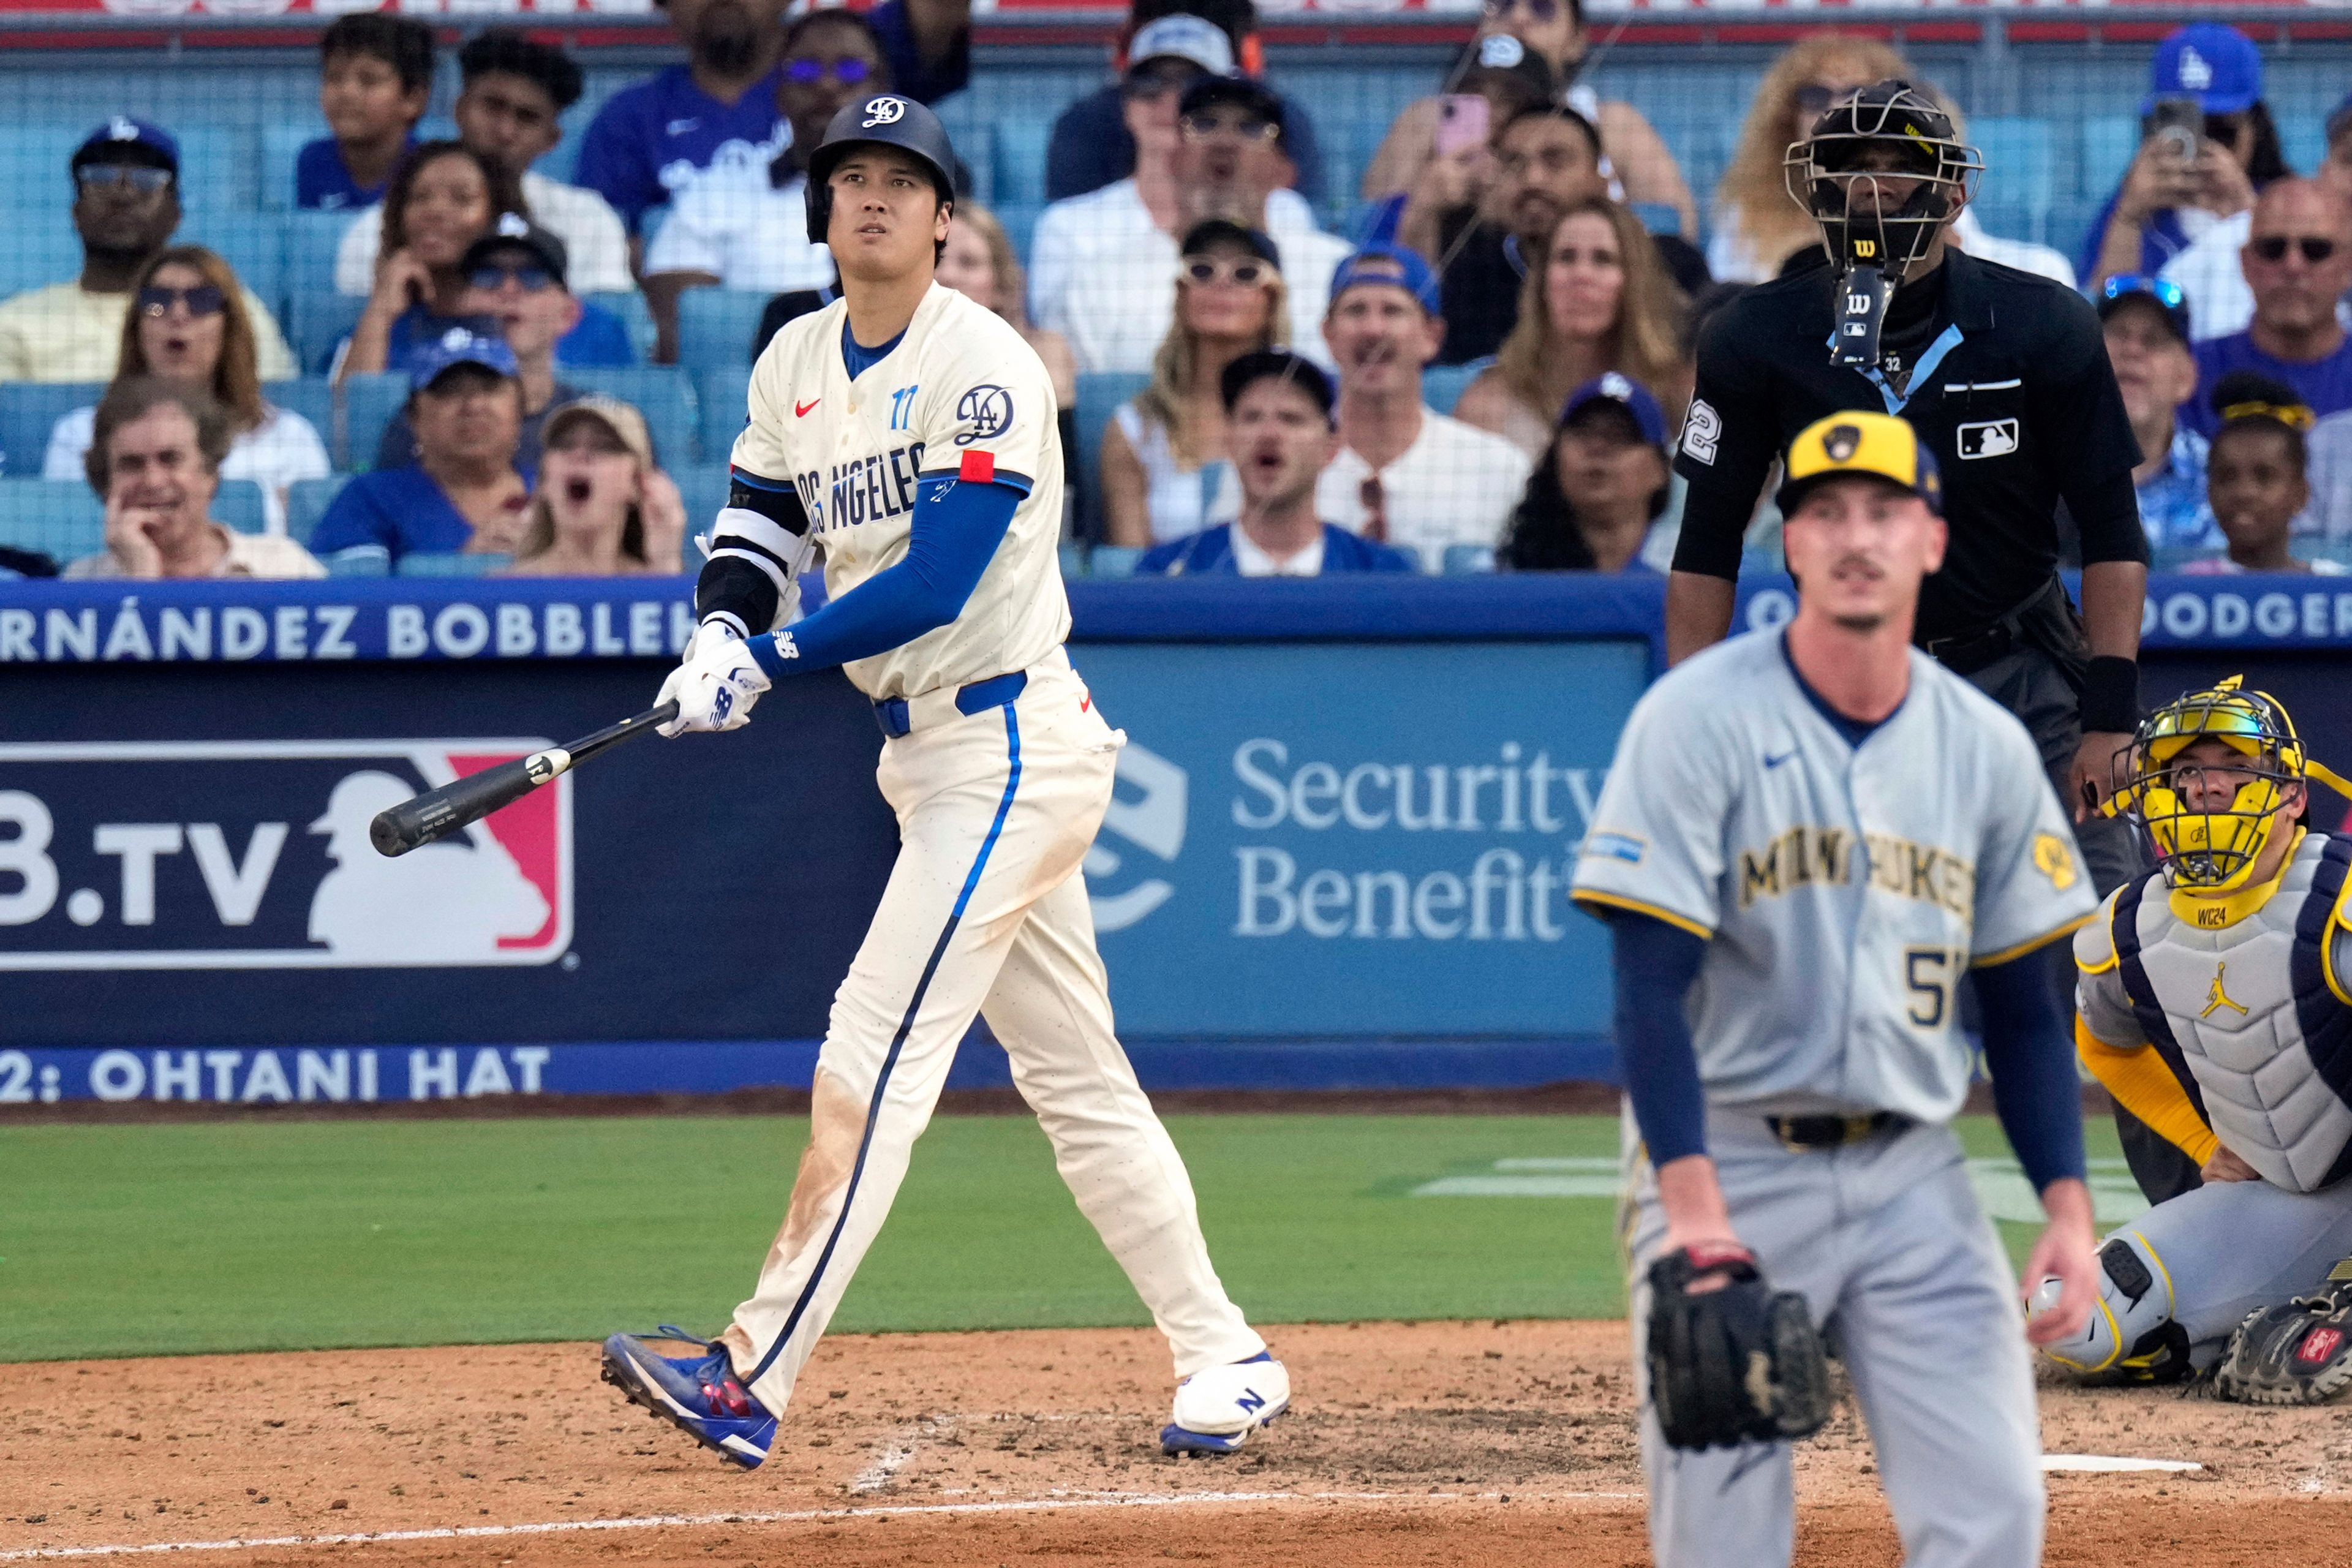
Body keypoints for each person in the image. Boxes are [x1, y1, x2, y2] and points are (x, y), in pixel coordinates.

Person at [598, 94, 1288, 1469]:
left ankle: (750, 1369)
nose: (873, 197)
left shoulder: (988, 362)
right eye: (850, 176)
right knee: (1078, 1077)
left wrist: (775, 653)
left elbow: (937, 574)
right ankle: (1226, 1350)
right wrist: (723, 624)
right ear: (824, 207)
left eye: (901, 180)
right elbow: (757, 519)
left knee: (876, 1044)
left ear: (943, 217)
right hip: (927, 755)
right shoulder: (794, 356)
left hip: (1013, 740)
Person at [1571, 407, 2099, 1568]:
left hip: (1915, 1171)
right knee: (1722, 1533)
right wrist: (1695, 1216)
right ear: (1792, 544)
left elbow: (2019, 1007)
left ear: (1931, 539)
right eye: (1825, 512)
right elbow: (1647, 992)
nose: (1856, 535)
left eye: (1885, 510)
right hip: (1733, 1157)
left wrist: (2064, 1202)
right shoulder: (1695, 721)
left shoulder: (1985, 748)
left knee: (1996, 1514)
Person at [1666, 83, 2165, 1195]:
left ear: (1952, 189)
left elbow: (2115, 536)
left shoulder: (2045, 323)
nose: (1866, 188)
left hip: (2026, 671)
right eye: (1845, 165)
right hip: (1852, 694)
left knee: (2128, 955)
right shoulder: (1756, 337)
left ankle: (2196, 1219)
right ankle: (1836, 1251)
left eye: (1893, 165)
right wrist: (1694, 730)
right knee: (1840, 978)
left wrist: (2110, 719)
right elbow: (1704, 550)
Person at [2045, 680, 2352, 1390]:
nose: (2208, 785)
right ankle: (2270, 1318)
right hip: (2283, 1199)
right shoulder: (2125, 927)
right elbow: (2105, 1047)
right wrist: (2203, 1141)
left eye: (2235, 768)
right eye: (2187, 771)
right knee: (2074, 1319)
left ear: (2292, 796)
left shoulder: (2339, 898)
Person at [1028, 72, 1349, 375]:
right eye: (1204, 124)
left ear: (1285, 171)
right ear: (1173, 160)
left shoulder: (1335, 272)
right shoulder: (1102, 280)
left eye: (1251, 128)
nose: (1225, 142)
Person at [575, 0, 970, 241]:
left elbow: (935, 16)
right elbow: (616, 251)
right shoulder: (628, 120)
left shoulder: (848, 54)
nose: (829, 86)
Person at [641, 9, 894, 363]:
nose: (826, 85)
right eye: (804, 70)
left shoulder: (921, 194)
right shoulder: (714, 193)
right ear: (779, 92)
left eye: (849, 70)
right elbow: (685, 337)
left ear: (884, 90)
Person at [42, 246, 328, 537]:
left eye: (202, 301)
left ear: (228, 327)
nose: (178, 315)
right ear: (137, 327)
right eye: (157, 302)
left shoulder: (291, 438)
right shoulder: (78, 435)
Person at [336, 30, 633, 300]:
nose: (505, 131)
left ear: (551, 139)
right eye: (493, 107)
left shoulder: (588, 220)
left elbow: (599, 335)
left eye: (527, 118)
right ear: (459, 110)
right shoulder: (374, 230)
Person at [1362, 0, 1693, 237]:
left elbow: (1675, 228)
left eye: (1542, 8)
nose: (1519, 18)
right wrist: (1427, 198)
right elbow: (1366, 232)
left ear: (1577, 40)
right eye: (1502, 6)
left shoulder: (1612, 123)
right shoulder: (1430, 117)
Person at [0, 119, 295, 385]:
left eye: (147, 179)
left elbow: (270, 423)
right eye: (101, 177)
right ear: (75, 212)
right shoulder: (18, 322)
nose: (123, 194)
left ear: (176, 214)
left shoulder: (226, 310)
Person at [1310, 244, 1529, 569]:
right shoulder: (1289, 467)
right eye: (1356, 310)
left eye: (1393, 311)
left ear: (1432, 336)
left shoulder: (1498, 469)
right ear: (1329, 336)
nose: (1374, 329)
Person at [1137, 350, 1414, 576]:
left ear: (1331, 447)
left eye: (1291, 419)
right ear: (1229, 441)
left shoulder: (1383, 575)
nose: (1269, 434)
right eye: (1252, 418)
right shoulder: (1169, 573)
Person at [1455, 196, 1688, 459]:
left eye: (1603, 259)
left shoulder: (1675, 398)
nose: (1582, 275)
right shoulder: (1488, 408)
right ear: (1541, 284)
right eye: (1566, 258)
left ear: (1635, 283)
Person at [1100, 219, 1284, 548]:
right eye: (1202, 271)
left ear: (1272, 301)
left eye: (1245, 273)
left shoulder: (1305, 423)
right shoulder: (1133, 429)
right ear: (1181, 295)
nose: (1222, 284)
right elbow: (1131, 572)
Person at [1045, 3, 1324, 207]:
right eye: (1151, 85)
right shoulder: (1086, 127)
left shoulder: (1279, 121)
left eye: (1192, 87)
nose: (1170, 101)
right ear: (1127, 100)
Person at [371, 217, 594, 472]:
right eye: (488, 275)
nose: (509, 290)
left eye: (533, 276)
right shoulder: (423, 423)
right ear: (462, 303)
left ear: (569, 314)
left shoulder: (594, 425)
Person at [2082, 24, 2286, 292]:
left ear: (2255, 129)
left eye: (2220, 132)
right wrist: (2129, 218)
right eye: (2184, 131)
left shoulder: (2285, 203)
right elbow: (2103, 315)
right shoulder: (2126, 208)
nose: (2202, 147)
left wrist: (2248, 216)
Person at [309, 329, 533, 571]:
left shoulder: (560, 491)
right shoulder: (370, 499)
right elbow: (343, 597)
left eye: (489, 388)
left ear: (521, 405)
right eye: (449, 391)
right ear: (414, 416)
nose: (473, 405)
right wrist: (461, 568)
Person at [62, 380, 323, 581]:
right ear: (106, 483)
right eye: (131, 464)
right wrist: (141, 577)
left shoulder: (283, 567)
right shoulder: (83, 582)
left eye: (170, 459)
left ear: (209, 473)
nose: (153, 481)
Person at [1706, 34, 1906, 284]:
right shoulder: (1747, 213)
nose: (1835, 109)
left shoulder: (1925, 195)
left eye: (1857, 96)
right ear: (1789, 116)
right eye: (1816, 96)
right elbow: (1730, 300)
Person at [1428, 104, 1609, 368]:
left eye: (1555, 161)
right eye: (1514, 164)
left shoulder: (1662, 267)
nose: (1532, 180)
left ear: (1600, 183)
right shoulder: (1468, 274)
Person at [2162, 96, 2352, 343]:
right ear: (2324, 170)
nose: (2293, 265)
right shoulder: (2216, 252)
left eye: (2316, 251)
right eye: (2350, 160)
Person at [335, 141, 525, 384]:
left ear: (497, 216)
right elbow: (350, 413)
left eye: (462, 199)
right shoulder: (369, 332)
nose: (435, 211)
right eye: (420, 198)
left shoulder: (529, 320)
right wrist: (380, 310)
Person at [2182, 178, 2352, 438]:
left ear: (2348, 266)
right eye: (2273, 249)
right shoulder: (2186, 376)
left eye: (2316, 249)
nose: (2293, 266)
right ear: (2245, 263)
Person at [1498, 372, 1668, 572]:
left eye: (1621, 435)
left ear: (1661, 470)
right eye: (1582, 432)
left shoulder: (1689, 568)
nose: (1597, 447)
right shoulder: (1507, 572)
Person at [504, 396, 687, 576]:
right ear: (544, 482)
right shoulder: (502, 592)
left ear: (639, 484)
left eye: (605, 447)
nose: (579, 454)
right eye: (565, 444)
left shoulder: (657, 590)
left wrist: (665, 564)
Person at [2180, 375, 2339, 575]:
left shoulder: (2334, 590)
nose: (2244, 493)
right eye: (2226, 477)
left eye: (2265, 477)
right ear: (2209, 490)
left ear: (2301, 495)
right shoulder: (2185, 588)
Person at [2100, 274, 2214, 552]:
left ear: (2186, 377)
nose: (2132, 350)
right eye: (2118, 334)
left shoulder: (2220, 477)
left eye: (2153, 340)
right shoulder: (2046, 473)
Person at [298, 13, 434, 212]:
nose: (347, 93)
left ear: (413, 99)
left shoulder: (430, 170)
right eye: (334, 78)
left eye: (369, 80)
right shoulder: (314, 161)